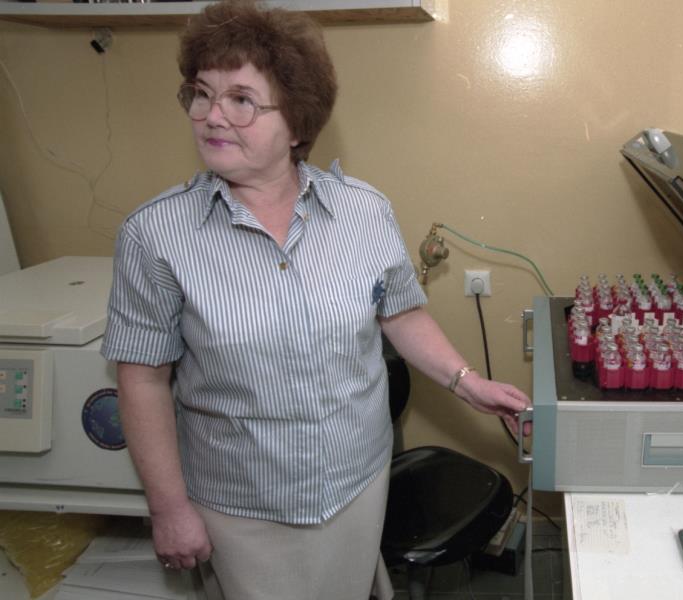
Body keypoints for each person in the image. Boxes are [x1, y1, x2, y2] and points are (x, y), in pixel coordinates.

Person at [99, 2, 530, 598]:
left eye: (241, 100)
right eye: (201, 94)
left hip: (357, 483)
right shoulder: (155, 236)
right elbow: (142, 380)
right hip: (242, 505)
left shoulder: (363, 211)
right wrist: (169, 508)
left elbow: (400, 312)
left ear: (297, 122)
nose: (212, 116)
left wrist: (468, 383)